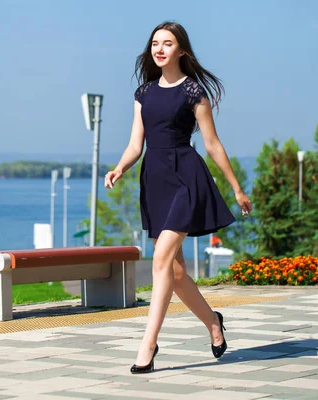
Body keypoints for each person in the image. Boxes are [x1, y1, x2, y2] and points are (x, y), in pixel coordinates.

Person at [104, 21, 252, 374]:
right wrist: (120, 168)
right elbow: (134, 145)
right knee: (176, 271)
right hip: (154, 181)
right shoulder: (143, 94)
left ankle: (148, 345)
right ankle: (213, 323)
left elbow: (212, 144)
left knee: (160, 263)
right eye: (155, 43)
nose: (159, 49)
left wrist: (236, 187)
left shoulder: (193, 92)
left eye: (167, 43)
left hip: (186, 178)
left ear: (181, 50)